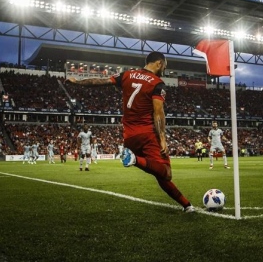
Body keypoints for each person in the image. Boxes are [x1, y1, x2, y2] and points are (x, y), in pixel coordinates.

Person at [67, 51, 195, 212]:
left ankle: (186, 205)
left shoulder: (127, 75)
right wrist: (162, 137)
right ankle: (135, 160)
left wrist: (78, 82)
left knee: (158, 173)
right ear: (159, 63)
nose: (164, 69)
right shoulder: (157, 83)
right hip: (148, 134)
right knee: (166, 173)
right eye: (165, 66)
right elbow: (158, 112)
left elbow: (101, 81)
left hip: (129, 136)